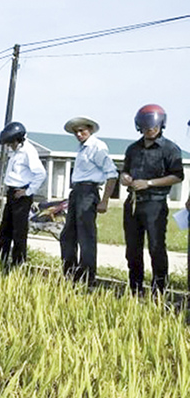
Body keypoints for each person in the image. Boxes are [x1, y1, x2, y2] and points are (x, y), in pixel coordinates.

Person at [121, 104, 183, 296]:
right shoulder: (133, 149)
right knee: (132, 249)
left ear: (161, 125)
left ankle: (159, 290)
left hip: (154, 203)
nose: (150, 130)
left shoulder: (170, 149)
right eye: (146, 126)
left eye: (154, 126)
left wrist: (148, 183)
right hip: (132, 202)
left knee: (156, 247)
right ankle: (135, 288)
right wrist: (125, 177)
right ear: (139, 126)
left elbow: (178, 176)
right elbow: (125, 170)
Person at [59, 116, 118, 285]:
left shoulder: (97, 147)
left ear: (90, 130)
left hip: (88, 191)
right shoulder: (82, 149)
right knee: (68, 235)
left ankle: (87, 277)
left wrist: (104, 200)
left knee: (86, 236)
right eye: (76, 132)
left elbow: (112, 174)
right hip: (77, 191)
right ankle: (70, 274)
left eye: (82, 130)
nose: (78, 134)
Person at [0, 121, 46, 267]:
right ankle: (2, 259)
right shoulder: (17, 153)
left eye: (10, 143)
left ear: (17, 140)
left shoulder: (28, 151)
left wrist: (28, 191)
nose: (9, 146)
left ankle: (18, 263)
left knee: (19, 232)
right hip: (12, 193)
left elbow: (41, 174)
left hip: (21, 195)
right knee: (5, 229)